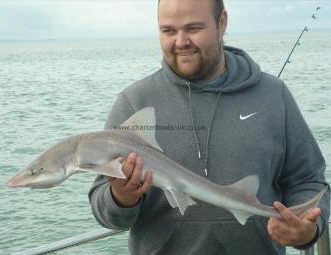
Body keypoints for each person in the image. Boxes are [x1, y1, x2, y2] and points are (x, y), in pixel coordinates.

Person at [89, 0, 330, 254]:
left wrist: (308, 229)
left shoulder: (273, 95)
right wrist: (121, 199)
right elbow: (107, 214)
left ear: (222, 23)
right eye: (168, 31)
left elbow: (308, 180)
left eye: (193, 28)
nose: (180, 42)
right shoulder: (135, 103)